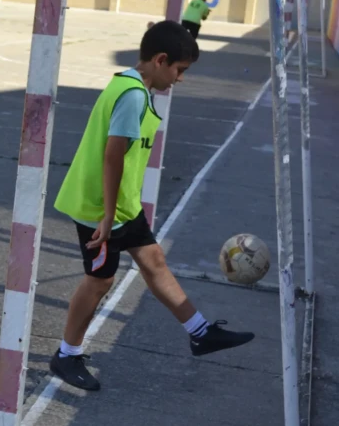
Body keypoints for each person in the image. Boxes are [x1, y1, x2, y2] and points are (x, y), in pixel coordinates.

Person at [51, 20, 253, 391]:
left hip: (121, 206)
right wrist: (108, 215)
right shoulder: (130, 95)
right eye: (179, 70)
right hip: (100, 208)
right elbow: (113, 157)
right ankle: (66, 355)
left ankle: (200, 332)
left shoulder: (134, 86)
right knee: (100, 281)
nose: (179, 79)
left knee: (153, 260)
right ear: (161, 60)